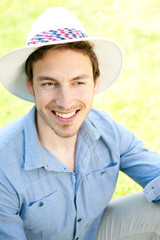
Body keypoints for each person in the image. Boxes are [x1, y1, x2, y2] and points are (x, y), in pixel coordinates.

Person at [0, 7, 160, 240]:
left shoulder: (106, 130)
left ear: (95, 83)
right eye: (49, 83)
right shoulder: (4, 162)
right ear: (30, 85)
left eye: (78, 82)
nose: (65, 101)